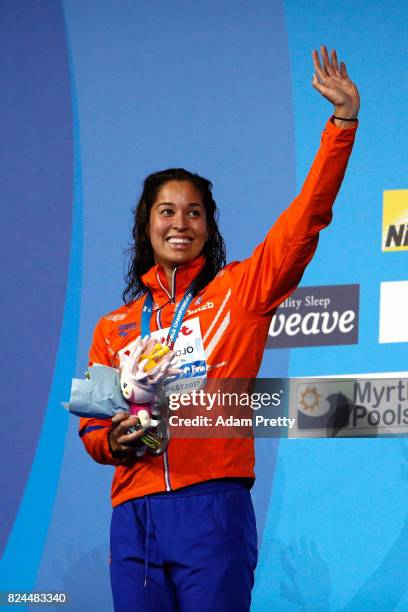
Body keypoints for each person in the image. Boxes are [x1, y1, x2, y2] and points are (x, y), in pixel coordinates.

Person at [79, 47, 360, 612]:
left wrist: (342, 125)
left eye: (193, 212)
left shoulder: (240, 291)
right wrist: (113, 440)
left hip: (212, 506)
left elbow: (305, 219)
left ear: (208, 227)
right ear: (147, 225)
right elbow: (93, 426)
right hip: (133, 516)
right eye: (166, 211)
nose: (179, 222)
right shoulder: (115, 326)